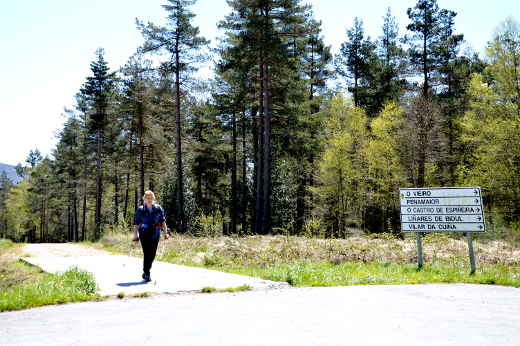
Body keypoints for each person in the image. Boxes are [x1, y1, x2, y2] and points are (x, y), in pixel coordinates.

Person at [132, 190, 170, 282]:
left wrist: (165, 233)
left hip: (155, 233)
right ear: (144, 199)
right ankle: (147, 273)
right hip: (144, 233)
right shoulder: (140, 210)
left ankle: (146, 271)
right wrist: (135, 235)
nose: (149, 200)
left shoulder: (158, 208)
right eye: (147, 198)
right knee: (147, 253)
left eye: (151, 198)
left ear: (153, 199)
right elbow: (136, 224)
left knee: (152, 254)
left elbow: (163, 221)